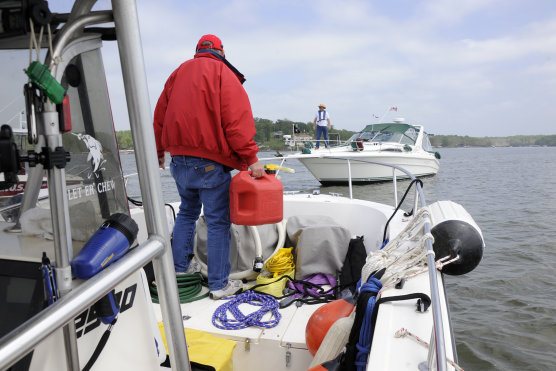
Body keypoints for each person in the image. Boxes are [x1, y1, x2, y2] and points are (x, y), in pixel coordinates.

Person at [153, 34, 265, 300]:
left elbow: (160, 116)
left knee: (187, 213)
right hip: (210, 166)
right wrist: (251, 158)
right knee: (217, 223)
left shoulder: (177, 73)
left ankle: (180, 270)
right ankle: (218, 285)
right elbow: (236, 121)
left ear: (197, 52)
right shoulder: (223, 73)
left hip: (178, 162)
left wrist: (159, 152)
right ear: (222, 52)